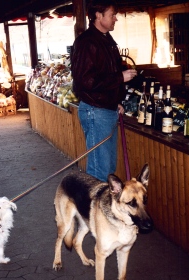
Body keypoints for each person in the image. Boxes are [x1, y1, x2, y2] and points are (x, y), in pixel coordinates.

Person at [71, 0, 137, 182]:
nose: (116, 18)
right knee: (99, 171)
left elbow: (101, 77)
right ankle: (94, 210)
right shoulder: (87, 43)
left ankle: (101, 209)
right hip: (95, 111)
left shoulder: (105, 40)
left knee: (108, 168)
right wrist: (120, 78)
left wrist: (114, 100)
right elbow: (86, 81)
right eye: (112, 15)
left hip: (105, 108)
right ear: (98, 16)